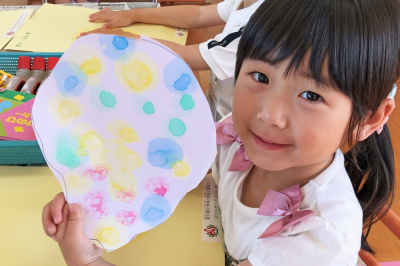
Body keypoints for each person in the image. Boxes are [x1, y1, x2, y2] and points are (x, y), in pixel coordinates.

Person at [42, 0, 399, 265]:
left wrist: (87, 260)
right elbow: (172, 169)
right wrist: (95, 195)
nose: (268, 114)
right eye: (260, 77)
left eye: (311, 95)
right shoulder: (235, 135)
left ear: (371, 118)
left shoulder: (317, 238)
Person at [78, 0, 262, 121]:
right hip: (218, 106)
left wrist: (124, 38)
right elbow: (199, 14)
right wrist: (133, 15)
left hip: (240, 127)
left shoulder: (256, 30)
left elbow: (186, 55)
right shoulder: (247, 2)